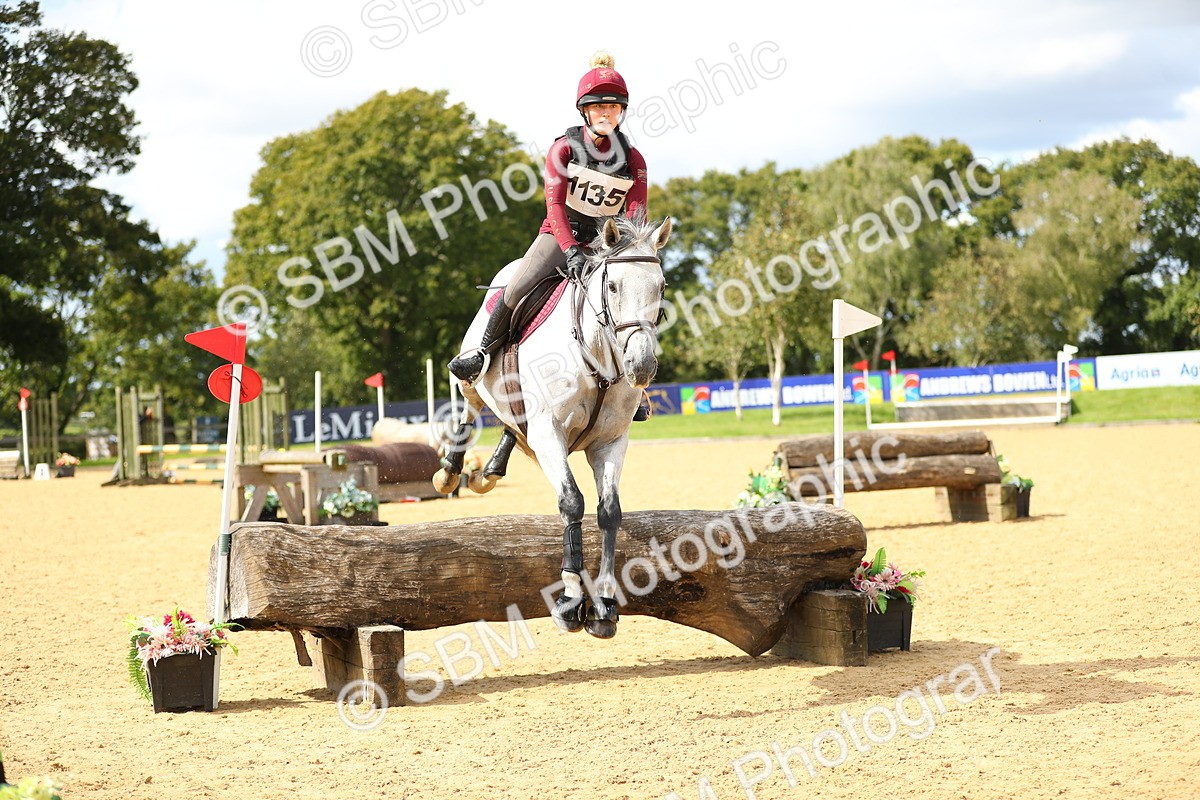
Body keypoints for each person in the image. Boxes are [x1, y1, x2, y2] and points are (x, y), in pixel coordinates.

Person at [449, 51, 650, 411]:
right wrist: (571, 248)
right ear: (585, 111)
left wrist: (626, 253)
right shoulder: (564, 149)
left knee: (633, 299)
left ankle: (634, 388)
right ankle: (481, 354)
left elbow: (635, 217)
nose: (607, 114)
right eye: (599, 107)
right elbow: (554, 207)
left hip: (606, 245)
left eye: (614, 108)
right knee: (517, 286)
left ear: (622, 113)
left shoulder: (633, 160)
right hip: (560, 236)